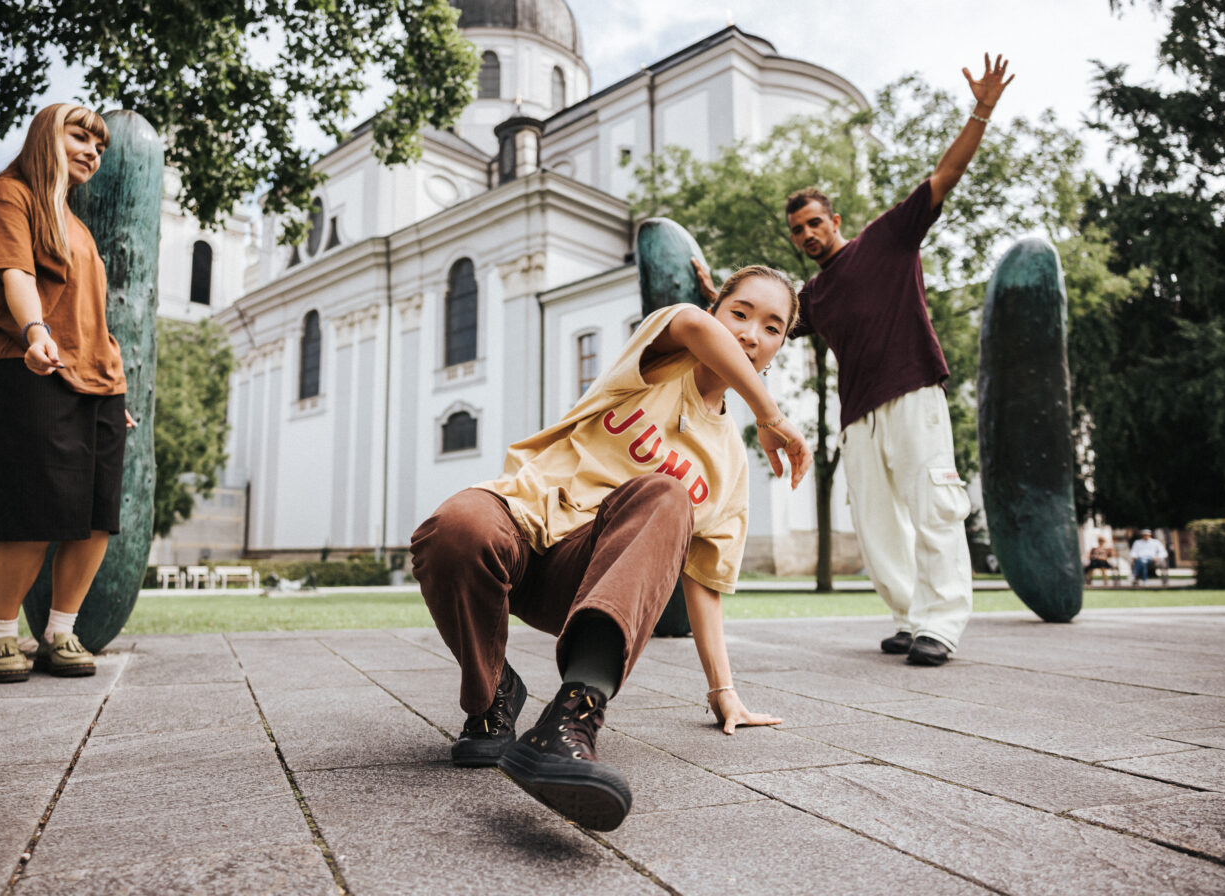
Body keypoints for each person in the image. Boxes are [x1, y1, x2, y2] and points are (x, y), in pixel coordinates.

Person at [411, 261, 813, 831]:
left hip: (593, 581)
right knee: (456, 526)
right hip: (521, 527)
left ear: (780, 346)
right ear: (718, 309)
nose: (750, 334)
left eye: (772, 327)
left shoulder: (729, 469)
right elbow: (695, 327)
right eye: (740, 313)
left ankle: (571, 718)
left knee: (668, 496)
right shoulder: (662, 353)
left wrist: (725, 693)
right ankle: (492, 693)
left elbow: (704, 582)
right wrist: (770, 414)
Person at [784, 54, 1014, 667]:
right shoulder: (811, 296)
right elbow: (765, 325)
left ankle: (942, 623)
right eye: (797, 232)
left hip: (912, 388)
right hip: (858, 416)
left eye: (814, 223)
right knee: (880, 528)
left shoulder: (888, 237)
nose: (807, 235)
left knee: (934, 506)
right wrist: (710, 299)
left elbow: (946, 173)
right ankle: (910, 617)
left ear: (835, 220)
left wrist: (981, 111)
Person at [0, 104, 135, 683]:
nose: (92, 150)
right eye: (80, 135)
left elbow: (93, 314)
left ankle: (60, 630)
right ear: (46, 135)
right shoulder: (7, 196)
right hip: (33, 366)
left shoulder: (79, 227)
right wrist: (36, 333)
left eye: (100, 144)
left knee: (95, 519)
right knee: (32, 513)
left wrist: (113, 387)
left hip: (98, 383)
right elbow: (15, 273)